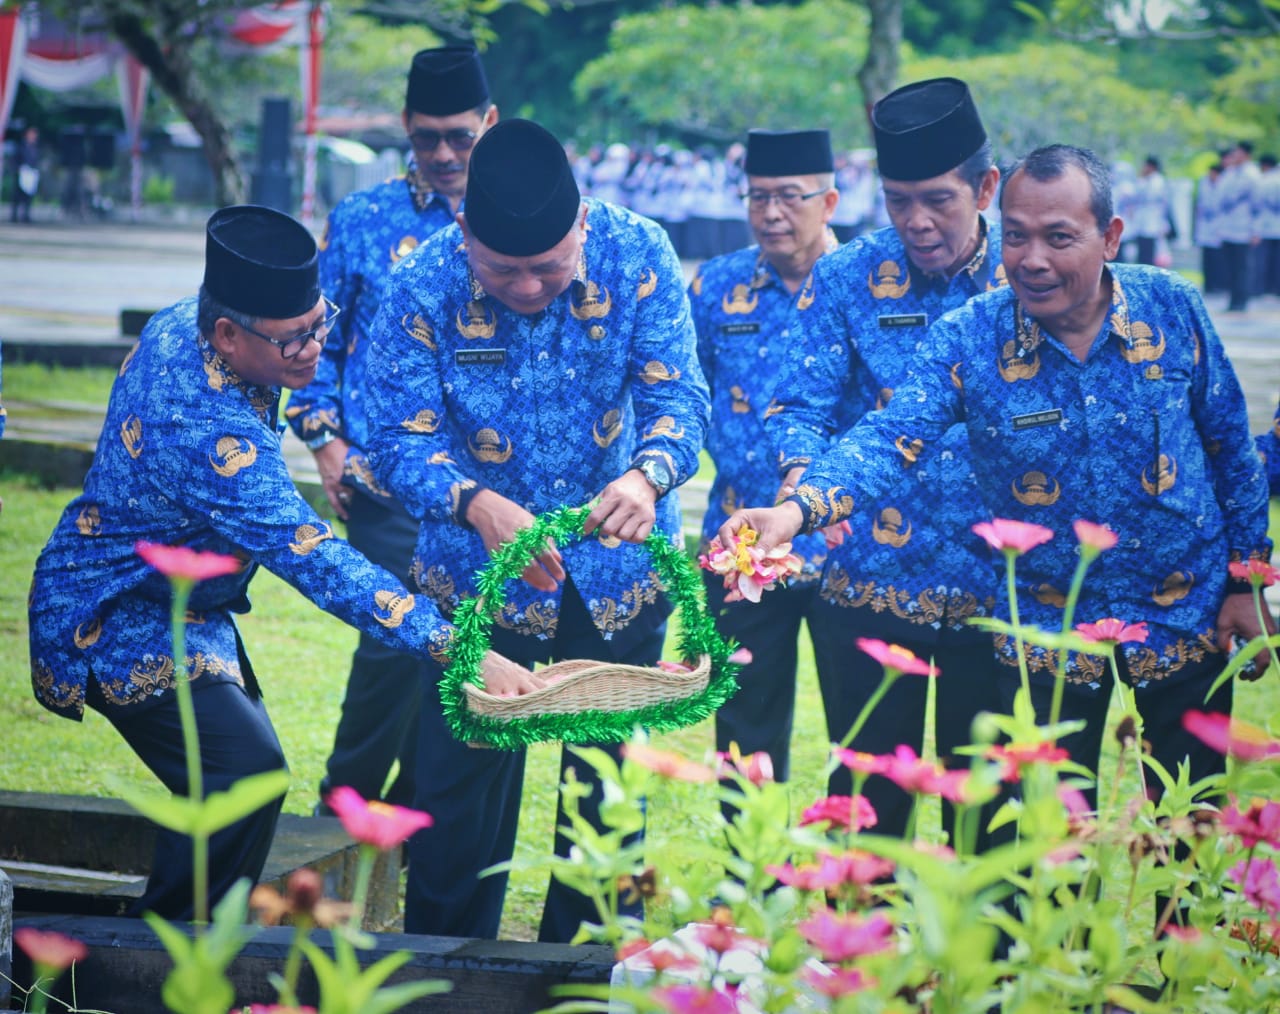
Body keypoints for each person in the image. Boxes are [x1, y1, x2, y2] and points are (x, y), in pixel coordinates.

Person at [726, 144, 1275, 813]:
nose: (1032, 259)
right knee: (1047, 836)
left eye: (1058, 238)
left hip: (1183, 610)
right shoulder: (969, 338)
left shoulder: (1171, 307)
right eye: (1016, 237)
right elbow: (889, 436)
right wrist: (795, 512)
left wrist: (1246, 583)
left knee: (1192, 823)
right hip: (1047, 627)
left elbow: (1229, 450)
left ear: (1110, 237)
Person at [27, 205, 537, 922]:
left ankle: (182, 941)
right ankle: (157, 956)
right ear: (227, 335)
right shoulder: (203, 427)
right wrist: (460, 648)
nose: (313, 350)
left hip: (184, 602)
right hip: (111, 608)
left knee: (239, 779)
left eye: (320, 325)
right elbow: (316, 558)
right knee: (244, 773)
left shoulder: (191, 322)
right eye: (293, 339)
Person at [364, 118, 710, 942]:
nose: (526, 287)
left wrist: (648, 475)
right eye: (501, 270)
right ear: (463, 231)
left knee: (606, 802)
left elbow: (679, 400)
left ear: (582, 223)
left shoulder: (640, 253)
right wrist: (472, 501)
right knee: (456, 800)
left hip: (616, 569)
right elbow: (396, 437)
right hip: (474, 575)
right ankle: (447, 972)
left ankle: (583, 974)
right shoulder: (421, 281)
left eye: (549, 268)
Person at [763, 77, 1004, 847]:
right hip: (872, 577)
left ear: (985, 189)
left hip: (1001, 588)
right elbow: (799, 406)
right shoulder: (848, 276)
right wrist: (802, 478)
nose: (917, 221)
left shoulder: (1028, 276)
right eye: (899, 201)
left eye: (938, 200)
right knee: (868, 806)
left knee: (991, 813)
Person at [284, 45, 498, 817]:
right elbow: (316, 341)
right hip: (387, 480)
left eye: (459, 136)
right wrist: (325, 440)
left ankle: (413, 820)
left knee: (462, 653)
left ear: (489, 123)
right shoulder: (363, 219)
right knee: (389, 642)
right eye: (425, 137)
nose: (442, 154)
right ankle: (340, 812)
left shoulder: (513, 218)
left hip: (488, 491)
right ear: (406, 125)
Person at [689, 128, 839, 786]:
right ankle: (745, 851)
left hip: (848, 544)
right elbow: (683, 392)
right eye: (757, 197)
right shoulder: (718, 286)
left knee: (862, 723)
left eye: (789, 197)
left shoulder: (864, 284)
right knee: (745, 726)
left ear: (828, 202)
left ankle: (855, 849)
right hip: (740, 540)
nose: (771, 213)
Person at [1219, 140, 1260, 312]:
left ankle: (1242, 300)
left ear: (1246, 154)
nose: (1235, 155)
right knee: (1230, 267)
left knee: (1242, 267)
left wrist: (1256, 230)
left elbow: (1258, 205)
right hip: (1228, 227)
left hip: (1244, 227)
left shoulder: (1252, 174)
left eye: (1238, 152)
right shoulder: (1229, 173)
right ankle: (1232, 300)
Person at [1130, 155, 1171, 267]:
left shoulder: (1158, 180)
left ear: (1151, 166)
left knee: (1149, 253)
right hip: (1142, 222)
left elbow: (1149, 196)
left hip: (1153, 222)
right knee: (1142, 252)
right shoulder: (1143, 180)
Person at [1194, 160, 1224, 294]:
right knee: (1206, 258)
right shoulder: (1204, 184)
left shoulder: (1223, 185)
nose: (1211, 176)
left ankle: (1218, 284)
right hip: (1205, 226)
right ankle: (1208, 285)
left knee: (1217, 259)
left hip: (1218, 226)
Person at [1257, 154, 1280, 297]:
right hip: (1275, 227)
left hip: (1265, 227)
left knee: (1264, 260)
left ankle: (1264, 288)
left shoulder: (1264, 180)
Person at [10, 126, 39, 223]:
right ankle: (14, 215)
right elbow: (14, 159)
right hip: (21, 173)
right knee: (17, 195)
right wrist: (17, 169)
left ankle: (26, 215)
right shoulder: (20, 146)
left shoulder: (36, 147)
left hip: (31, 174)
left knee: (28, 196)